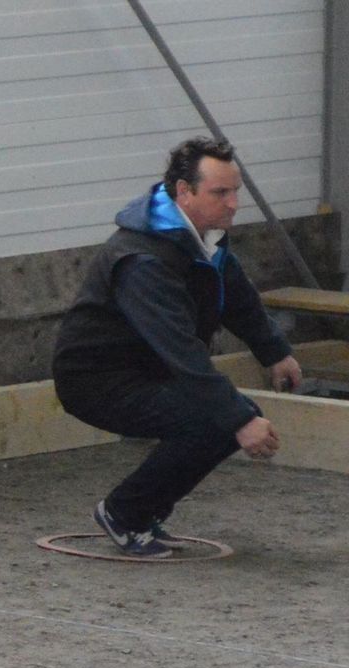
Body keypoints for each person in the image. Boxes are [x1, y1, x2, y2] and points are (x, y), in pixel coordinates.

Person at [53, 136, 302, 558]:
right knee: (220, 420)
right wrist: (238, 417)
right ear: (183, 193)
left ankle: (144, 511)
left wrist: (274, 351)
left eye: (235, 191)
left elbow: (237, 295)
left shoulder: (204, 238)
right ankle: (123, 513)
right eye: (219, 193)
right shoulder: (143, 260)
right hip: (96, 380)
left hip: (147, 370)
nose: (233, 204)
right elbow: (181, 350)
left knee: (229, 417)